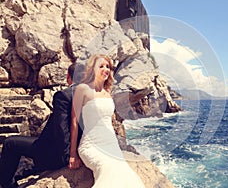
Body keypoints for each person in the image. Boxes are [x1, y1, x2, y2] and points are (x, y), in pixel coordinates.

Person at [0, 62, 84, 188]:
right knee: (27, 157)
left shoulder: (64, 95)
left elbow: (62, 129)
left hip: (56, 153)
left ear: (68, 77)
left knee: (10, 143)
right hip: (74, 148)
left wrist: (67, 157)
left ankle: (5, 185)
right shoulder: (91, 96)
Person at [69, 54, 145, 188]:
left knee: (127, 175)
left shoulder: (107, 92)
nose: (106, 69)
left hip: (111, 145)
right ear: (92, 69)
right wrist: (73, 154)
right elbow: (74, 122)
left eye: (108, 66)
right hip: (91, 145)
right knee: (108, 170)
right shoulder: (82, 89)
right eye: (101, 66)